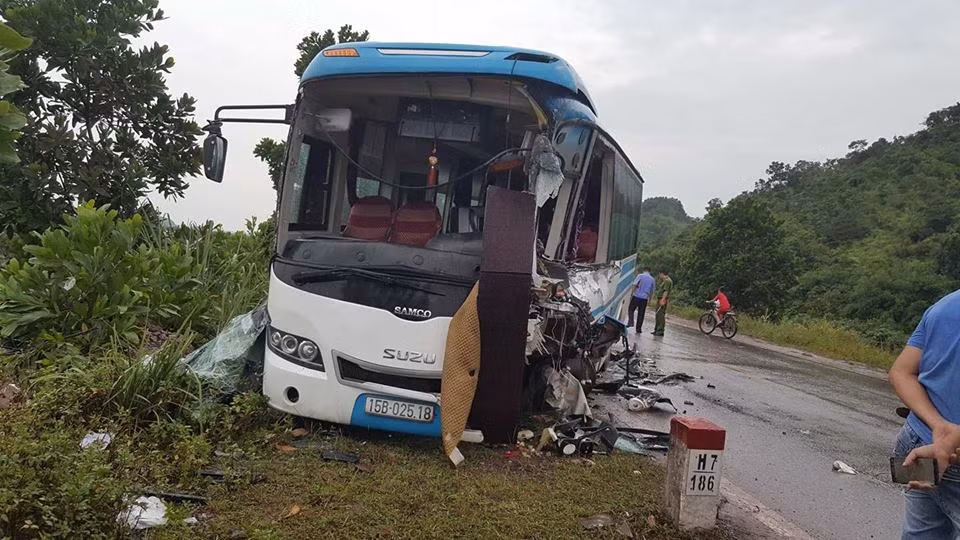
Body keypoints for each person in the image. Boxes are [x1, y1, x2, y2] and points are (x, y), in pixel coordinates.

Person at [889, 289, 960, 538]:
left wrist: (936, 425)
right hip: (950, 454)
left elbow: (901, 372)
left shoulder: (945, 305)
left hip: (917, 442)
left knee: (921, 533)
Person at [628, 267, 656, 332]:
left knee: (631, 309)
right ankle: (638, 329)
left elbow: (634, 284)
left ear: (644, 270)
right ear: (649, 271)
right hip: (644, 298)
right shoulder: (652, 279)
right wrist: (650, 299)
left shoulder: (640, 276)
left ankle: (631, 321)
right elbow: (652, 291)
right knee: (641, 313)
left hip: (636, 296)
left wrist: (632, 293)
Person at [652, 270, 672, 336]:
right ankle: (657, 329)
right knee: (658, 314)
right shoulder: (665, 281)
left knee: (660, 315)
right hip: (660, 299)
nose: (659, 276)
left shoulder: (667, 281)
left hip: (662, 299)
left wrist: (663, 299)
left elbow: (666, 291)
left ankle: (660, 330)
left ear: (662, 274)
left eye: (660, 274)